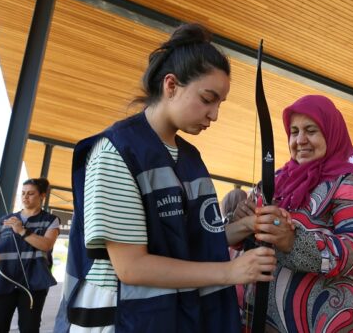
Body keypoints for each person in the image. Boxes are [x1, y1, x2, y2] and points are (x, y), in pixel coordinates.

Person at [55, 23, 276, 332]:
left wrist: (245, 226)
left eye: (219, 103)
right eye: (207, 98)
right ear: (171, 86)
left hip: (169, 317)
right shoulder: (116, 150)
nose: (215, 115)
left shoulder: (190, 158)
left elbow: (188, 242)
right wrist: (231, 271)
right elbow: (132, 267)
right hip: (120, 320)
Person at [243, 94, 353, 332]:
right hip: (266, 321)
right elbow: (247, 235)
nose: (300, 140)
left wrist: (293, 241)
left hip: (328, 322)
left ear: (331, 132)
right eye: (294, 131)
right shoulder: (275, 182)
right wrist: (241, 223)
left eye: (311, 130)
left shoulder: (349, 184)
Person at [0, 178, 60, 333]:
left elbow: (46, 245)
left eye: (30, 193)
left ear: (42, 195)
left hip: (33, 284)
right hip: (2, 280)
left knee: (29, 327)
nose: (25, 197)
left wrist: (22, 230)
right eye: (23, 193)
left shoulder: (50, 220)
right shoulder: (5, 220)